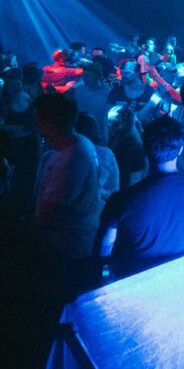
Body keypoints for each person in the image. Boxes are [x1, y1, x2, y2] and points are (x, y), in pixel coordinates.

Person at [98, 117, 184, 279]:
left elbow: (104, 251)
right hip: (181, 279)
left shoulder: (120, 200)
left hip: (135, 283)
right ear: (181, 149)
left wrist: (106, 276)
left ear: (144, 149)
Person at [32, 94, 101, 287]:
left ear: (49, 125)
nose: (36, 125)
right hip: (77, 241)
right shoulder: (82, 142)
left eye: (38, 120)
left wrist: (26, 240)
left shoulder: (69, 161)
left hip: (67, 247)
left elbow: (48, 214)